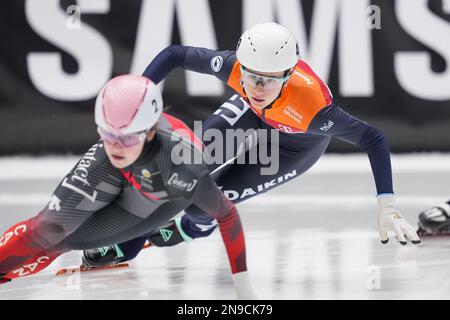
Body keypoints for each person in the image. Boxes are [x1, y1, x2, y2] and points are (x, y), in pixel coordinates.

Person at [83, 22, 420, 267]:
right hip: (249, 114)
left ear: (287, 76)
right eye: (250, 75)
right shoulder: (234, 70)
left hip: (295, 145)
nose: (257, 87)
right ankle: (125, 240)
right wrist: (141, 92)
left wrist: (386, 204)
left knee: (201, 207)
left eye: (268, 80)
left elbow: (373, 138)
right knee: (179, 168)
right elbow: (174, 54)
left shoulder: (313, 109)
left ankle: (186, 230)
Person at [0, 74, 255, 299]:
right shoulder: (116, 145)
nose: (117, 147)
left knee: (63, 242)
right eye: (108, 135)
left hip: (158, 195)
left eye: (127, 138)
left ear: (151, 131)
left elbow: (226, 214)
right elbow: (41, 229)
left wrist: (243, 287)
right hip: (126, 171)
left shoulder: (182, 168)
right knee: (46, 229)